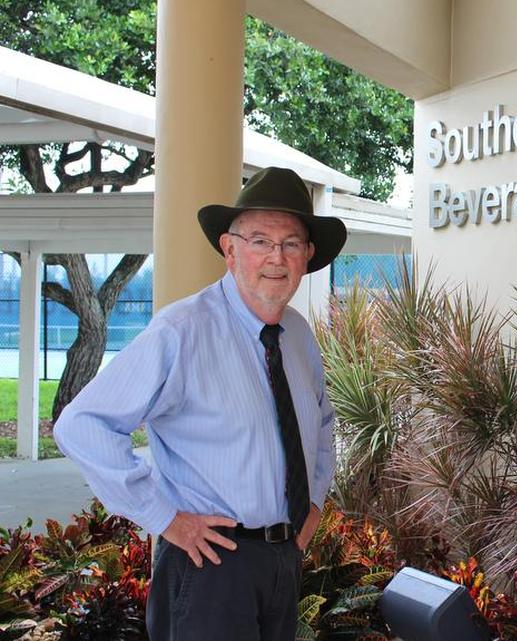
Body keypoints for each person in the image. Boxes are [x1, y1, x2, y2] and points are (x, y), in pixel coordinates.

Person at [54, 166, 346, 641]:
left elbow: (322, 423)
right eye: (259, 241)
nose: (276, 257)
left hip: (282, 560)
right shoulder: (182, 330)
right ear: (229, 250)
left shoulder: (297, 333)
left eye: (291, 243)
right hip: (210, 566)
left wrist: (312, 503)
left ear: (308, 255)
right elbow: (82, 425)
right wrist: (165, 518)